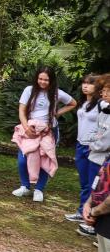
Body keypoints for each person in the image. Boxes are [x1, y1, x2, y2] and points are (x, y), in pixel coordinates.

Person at [12, 67, 77, 202]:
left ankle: (39, 189)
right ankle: (25, 186)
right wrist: (26, 128)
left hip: (49, 130)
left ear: (51, 80)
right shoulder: (29, 90)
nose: (43, 82)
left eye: (46, 80)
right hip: (30, 129)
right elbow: (22, 111)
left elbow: (73, 103)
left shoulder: (56, 93)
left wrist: (57, 113)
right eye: (40, 79)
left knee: (44, 160)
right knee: (23, 159)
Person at [77, 79, 110, 237]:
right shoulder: (104, 111)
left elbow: (106, 139)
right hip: (93, 155)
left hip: (102, 159)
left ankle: (95, 223)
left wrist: (94, 144)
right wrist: (93, 142)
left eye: (107, 91)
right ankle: (89, 218)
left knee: (101, 191)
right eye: (103, 90)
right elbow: (96, 131)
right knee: (93, 188)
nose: (104, 93)